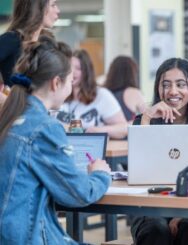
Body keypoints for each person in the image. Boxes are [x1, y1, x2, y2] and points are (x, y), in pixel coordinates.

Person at [0, 39, 111, 244]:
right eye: (70, 80)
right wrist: (100, 174)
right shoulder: (44, 128)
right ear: (56, 82)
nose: (72, 85)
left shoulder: (11, 118)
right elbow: (78, 193)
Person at [131, 58, 188, 245]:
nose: (173, 91)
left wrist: (182, 213)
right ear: (158, 89)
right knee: (156, 229)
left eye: (181, 85)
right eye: (166, 85)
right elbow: (139, 168)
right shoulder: (143, 121)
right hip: (150, 206)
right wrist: (147, 117)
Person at [57, 49, 128, 139]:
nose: (72, 72)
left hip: (90, 150)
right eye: (69, 68)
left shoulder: (101, 95)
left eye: (78, 68)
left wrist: (97, 130)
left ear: (87, 72)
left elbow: (124, 128)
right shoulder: (59, 94)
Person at [0, 0, 60, 87]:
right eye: (53, 5)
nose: (58, 10)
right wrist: (5, 98)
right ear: (37, 8)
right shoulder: (12, 39)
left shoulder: (46, 43)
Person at [104, 56, 146, 122]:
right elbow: (148, 118)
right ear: (132, 73)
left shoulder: (104, 93)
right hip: (127, 132)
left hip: (106, 131)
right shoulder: (134, 93)